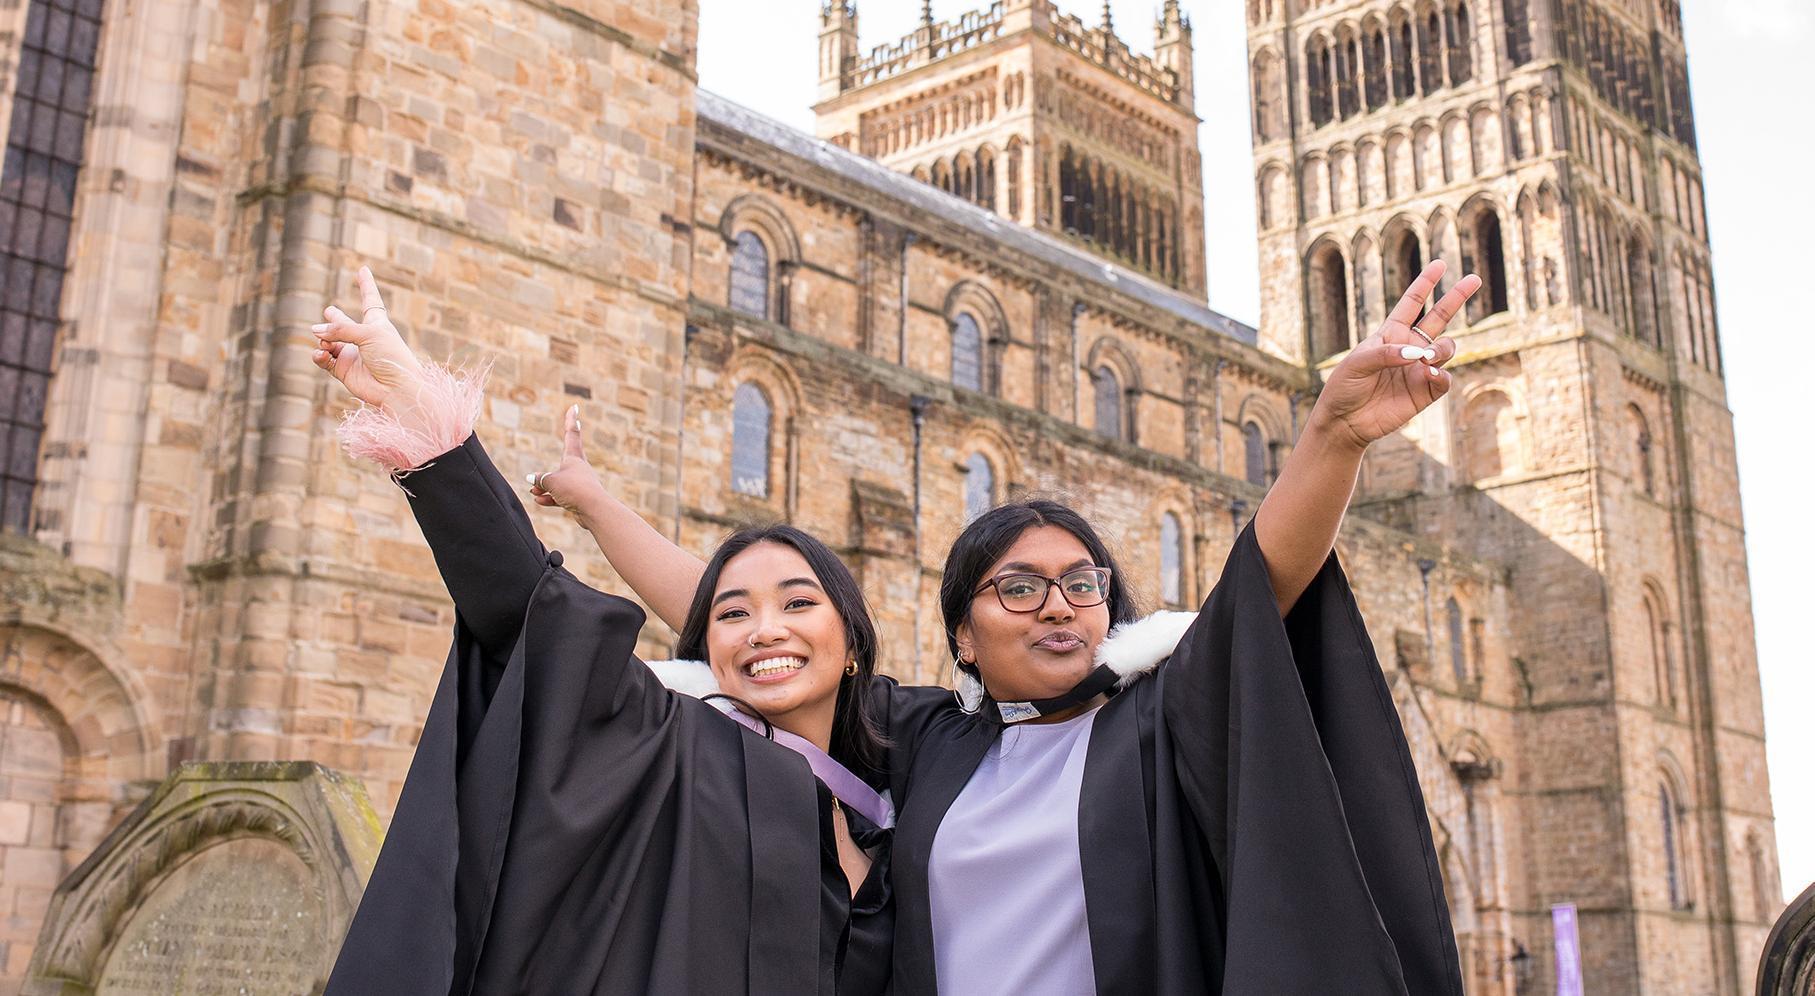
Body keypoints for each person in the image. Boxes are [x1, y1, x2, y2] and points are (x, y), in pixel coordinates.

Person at [535, 260, 1482, 994]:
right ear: (963, 635)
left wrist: (1332, 439)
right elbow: (755, 630)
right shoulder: (927, 741)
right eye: (1018, 589)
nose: (1059, 603)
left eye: (1080, 582)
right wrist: (591, 501)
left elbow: (1260, 581)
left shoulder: (1154, 725)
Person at [311, 268, 894, 995]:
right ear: (702, 642)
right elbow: (536, 613)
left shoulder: (919, 764)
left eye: (798, 604)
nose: (764, 632)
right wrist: (429, 425)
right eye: (732, 614)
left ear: (853, 640)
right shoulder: (676, 743)